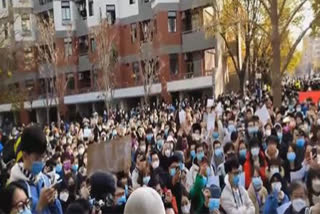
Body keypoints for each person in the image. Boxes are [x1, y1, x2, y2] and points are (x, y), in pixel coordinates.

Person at [8, 125, 63, 214]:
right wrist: (39, 206)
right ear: (25, 155)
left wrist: (54, 202)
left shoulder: (44, 180)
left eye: (43, 157)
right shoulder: (15, 189)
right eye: (37, 158)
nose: (41, 162)